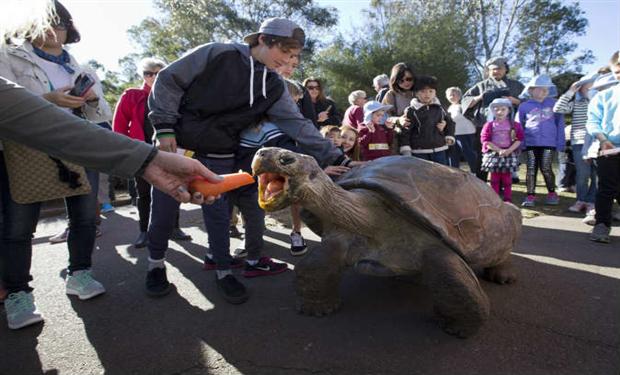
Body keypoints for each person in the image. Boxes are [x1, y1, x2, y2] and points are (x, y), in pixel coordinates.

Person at [145, 17, 349, 304]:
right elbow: (168, 79)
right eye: (285, 52)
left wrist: (339, 156)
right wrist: (164, 126)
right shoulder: (218, 53)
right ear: (263, 40)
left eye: (294, 56)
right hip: (176, 145)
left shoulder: (275, 86)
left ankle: (224, 270)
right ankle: (155, 265)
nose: (289, 60)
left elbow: (298, 125)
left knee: (217, 215)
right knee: (164, 211)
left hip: (219, 153)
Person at [0, 0, 111, 329]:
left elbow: (101, 115)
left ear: (69, 29)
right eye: (48, 21)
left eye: (60, 23)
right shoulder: (8, 55)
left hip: (78, 145)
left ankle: (80, 274)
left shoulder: (80, 67)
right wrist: (46, 102)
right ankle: (19, 295)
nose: (54, 29)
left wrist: (92, 100)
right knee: (18, 226)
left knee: (84, 217)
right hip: (26, 150)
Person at [113, 57, 192, 248]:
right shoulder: (132, 95)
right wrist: (124, 151)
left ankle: (174, 227)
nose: (153, 77)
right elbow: (119, 126)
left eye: (158, 72)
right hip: (141, 152)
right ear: (143, 75)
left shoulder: (173, 95)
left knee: (175, 188)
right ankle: (144, 232)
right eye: (148, 73)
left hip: (170, 150)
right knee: (144, 194)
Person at [462, 57, 524, 180]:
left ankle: (503, 184)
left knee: (506, 153)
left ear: (506, 69)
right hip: (485, 125)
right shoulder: (480, 85)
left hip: (509, 127)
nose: (496, 71)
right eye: (493, 69)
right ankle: (481, 181)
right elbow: (465, 100)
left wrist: (513, 100)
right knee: (482, 154)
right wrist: (479, 97)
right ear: (488, 71)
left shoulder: (516, 85)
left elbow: (528, 102)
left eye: (499, 68)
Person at [553, 71, 599, 213]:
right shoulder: (576, 103)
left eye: (593, 87)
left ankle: (592, 201)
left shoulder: (601, 102)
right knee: (582, 173)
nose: (589, 90)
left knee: (596, 174)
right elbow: (558, 108)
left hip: (598, 141)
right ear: (581, 88)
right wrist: (570, 91)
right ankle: (581, 200)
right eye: (587, 87)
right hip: (579, 140)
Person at [587, 51, 620, 243]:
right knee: (607, 187)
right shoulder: (604, 96)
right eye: (617, 71)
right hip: (609, 147)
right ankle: (602, 225)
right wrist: (602, 139)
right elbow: (593, 121)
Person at [518, 74, 565, 207]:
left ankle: (552, 193)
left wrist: (560, 142)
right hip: (530, 143)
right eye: (540, 89)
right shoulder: (524, 106)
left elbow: (560, 124)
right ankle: (530, 195)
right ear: (531, 90)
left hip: (549, 143)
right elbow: (519, 125)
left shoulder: (554, 104)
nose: (544, 91)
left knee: (546, 167)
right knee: (531, 168)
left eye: (546, 89)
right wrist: (520, 143)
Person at [398, 75, 455, 165]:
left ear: (435, 93)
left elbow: (450, 123)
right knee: (422, 176)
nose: (427, 94)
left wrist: (449, 136)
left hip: (439, 148)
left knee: (441, 175)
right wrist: (406, 149)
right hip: (419, 152)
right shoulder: (411, 111)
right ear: (416, 93)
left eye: (430, 91)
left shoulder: (441, 108)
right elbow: (406, 131)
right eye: (423, 91)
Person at [480, 98, 524, 202]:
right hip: (494, 154)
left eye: (503, 109)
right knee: (494, 178)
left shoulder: (515, 125)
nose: (499, 112)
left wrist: (509, 150)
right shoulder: (489, 125)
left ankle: (508, 198)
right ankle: (494, 198)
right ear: (492, 111)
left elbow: (519, 139)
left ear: (509, 110)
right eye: (496, 109)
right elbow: (485, 140)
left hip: (509, 153)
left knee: (507, 178)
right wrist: (498, 150)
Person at [445, 87, 478, 171]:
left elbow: (472, 117)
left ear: (459, 95)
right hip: (454, 134)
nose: (451, 97)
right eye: (449, 95)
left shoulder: (464, 105)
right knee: (453, 154)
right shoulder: (450, 107)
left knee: (469, 153)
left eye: (454, 94)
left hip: (466, 133)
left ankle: (475, 172)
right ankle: (454, 172)